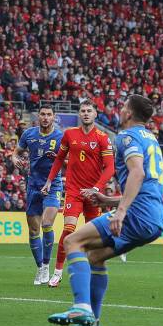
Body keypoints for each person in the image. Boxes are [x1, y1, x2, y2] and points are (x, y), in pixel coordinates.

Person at [47, 94, 163, 326]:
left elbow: (137, 174)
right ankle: (92, 324)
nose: (119, 111)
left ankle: (81, 308)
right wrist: (109, 201)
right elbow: (146, 185)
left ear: (129, 113)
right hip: (154, 218)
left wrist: (120, 212)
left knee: (72, 241)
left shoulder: (126, 136)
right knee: (96, 257)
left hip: (137, 215)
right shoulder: (150, 138)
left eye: (123, 107)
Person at [41, 100, 115, 287]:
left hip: (93, 194)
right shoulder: (69, 134)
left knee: (92, 236)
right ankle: (57, 272)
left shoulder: (102, 137)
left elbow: (110, 168)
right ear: (79, 114)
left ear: (95, 114)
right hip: (74, 190)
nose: (86, 113)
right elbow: (59, 159)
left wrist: (96, 189)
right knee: (69, 230)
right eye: (82, 110)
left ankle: (91, 271)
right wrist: (49, 181)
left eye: (89, 111)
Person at [12, 105, 63, 285]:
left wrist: (58, 158)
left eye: (49, 115)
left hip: (53, 185)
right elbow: (16, 152)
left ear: (54, 117)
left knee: (47, 223)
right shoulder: (29, 134)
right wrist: (15, 159)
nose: (45, 117)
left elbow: (70, 160)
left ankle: (47, 265)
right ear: (38, 117)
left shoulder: (61, 137)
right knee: (34, 230)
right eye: (43, 114)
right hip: (32, 185)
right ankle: (40, 268)